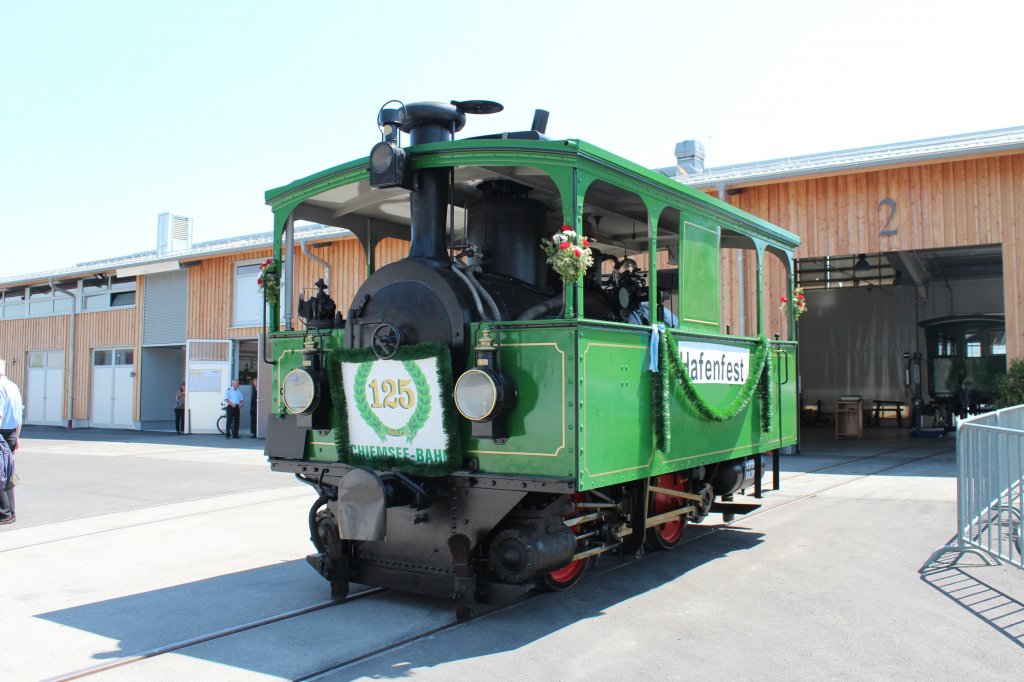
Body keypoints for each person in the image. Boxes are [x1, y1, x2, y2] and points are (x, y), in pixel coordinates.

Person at [0, 359, 24, 525]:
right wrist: (17, 437)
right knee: (7, 472)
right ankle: (10, 511)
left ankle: (4, 513)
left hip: (1, 432)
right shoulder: (13, 386)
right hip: (11, 433)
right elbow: (19, 416)